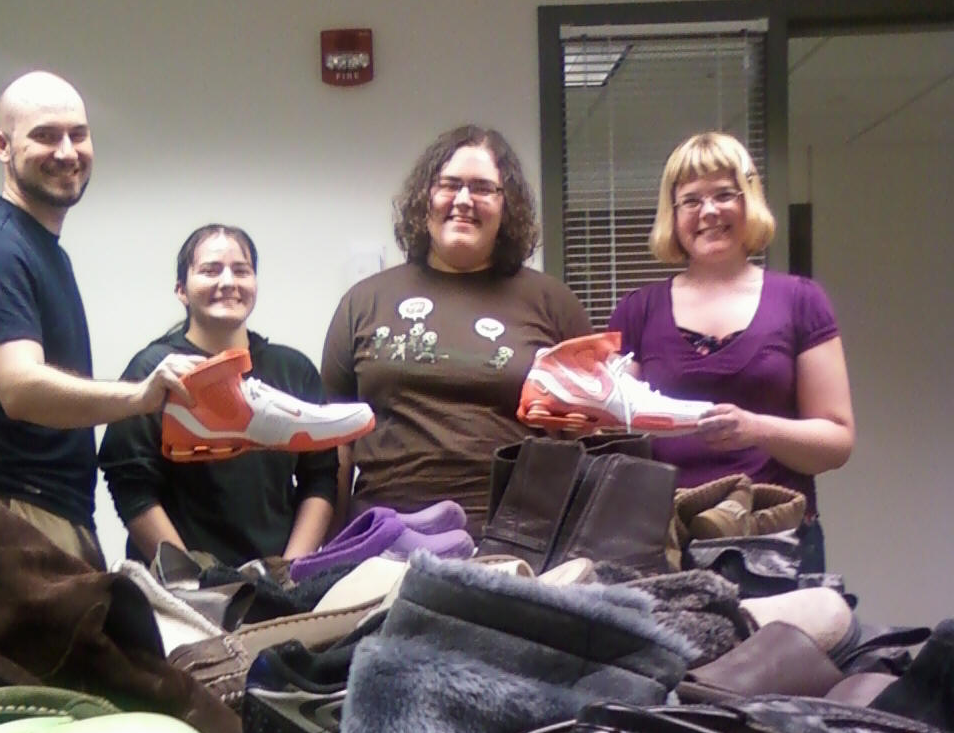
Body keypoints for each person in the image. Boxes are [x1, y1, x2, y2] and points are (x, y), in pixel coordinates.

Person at [0, 70, 197, 567]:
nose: (67, 151)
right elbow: (20, 387)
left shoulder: (41, 250)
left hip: (41, 515)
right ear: (3, 146)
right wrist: (139, 396)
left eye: (78, 134)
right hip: (3, 519)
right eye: (45, 135)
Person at [321, 125, 590, 539]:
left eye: (483, 188)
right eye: (449, 185)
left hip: (515, 537)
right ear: (425, 198)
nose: (464, 200)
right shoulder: (363, 302)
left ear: (507, 206)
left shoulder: (554, 304)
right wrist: (328, 550)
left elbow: (585, 435)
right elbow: (336, 446)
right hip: (384, 537)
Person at [608, 130, 855, 571]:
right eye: (691, 200)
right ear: (673, 213)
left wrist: (757, 429)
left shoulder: (801, 300)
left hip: (775, 544)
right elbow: (614, 435)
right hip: (666, 544)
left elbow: (836, 442)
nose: (709, 212)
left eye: (725, 195)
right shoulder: (637, 311)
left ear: (749, 202)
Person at [100, 225, 338, 567]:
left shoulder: (293, 370)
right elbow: (130, 485)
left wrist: (291, 572)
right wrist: (189, 579)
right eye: (210, 270)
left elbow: (320, 477)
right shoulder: (154, 371)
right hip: (181, 588)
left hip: (276, 581)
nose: (228, 282)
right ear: (181, 290)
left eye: (241, 271)